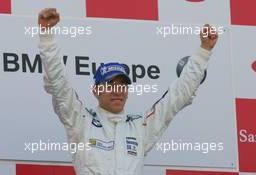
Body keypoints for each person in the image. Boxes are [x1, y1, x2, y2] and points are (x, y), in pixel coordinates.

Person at [38, 8, 218, 175]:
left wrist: (203, 52)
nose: (118, 91)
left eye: (122, 85)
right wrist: (46, 37)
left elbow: (178, 95)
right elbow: (58, 84)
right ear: (96, 91)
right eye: (110, 85)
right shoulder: (80, 121)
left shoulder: (141, 127)